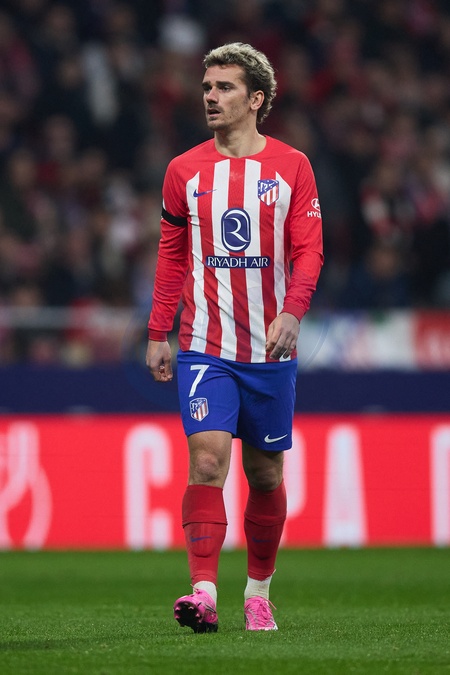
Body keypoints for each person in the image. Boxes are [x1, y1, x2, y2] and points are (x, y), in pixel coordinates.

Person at [146, 42, 323, 632]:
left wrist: (293, 312)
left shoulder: (292, 167)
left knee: (265, 473)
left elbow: (309, 250)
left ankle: (258, 593)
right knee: (206, 460)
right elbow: (171, 257)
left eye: (224, 87)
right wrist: (158, 330)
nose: (210, 97)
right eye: (206, 87)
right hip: (204, 344)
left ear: (256, 99)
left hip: (269, 350)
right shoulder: (183, 170)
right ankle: (203, 592)